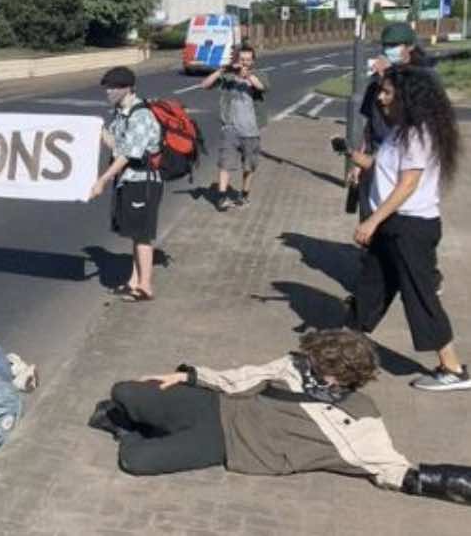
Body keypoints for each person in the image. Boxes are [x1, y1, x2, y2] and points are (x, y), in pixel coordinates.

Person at [87, 329, 471, 506]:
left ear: (338, 376)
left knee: (134, 461)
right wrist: (189, 376)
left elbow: (398, 470)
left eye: (318, 365)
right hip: (219, 406)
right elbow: (246, 377)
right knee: (124, 390)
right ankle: (144, 418)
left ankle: (129, 428)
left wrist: (452, 481)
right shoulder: (297, 365)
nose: (308, 365)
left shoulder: (358, 419)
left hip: (229, 445)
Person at [342, 66, 469, 391]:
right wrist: (358, 159)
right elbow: (387, 170)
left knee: (420, 296)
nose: (381, 99)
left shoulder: (417, 133)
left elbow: (408, 184)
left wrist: (371, 220)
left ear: (407, 97)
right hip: (394, 224)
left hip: (410, 226)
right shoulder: (401, 131)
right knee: (371, 289)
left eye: (387, 93)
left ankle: (452, 369)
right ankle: (342, 352)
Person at [347, 23, 443, 293]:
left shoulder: (422, 79)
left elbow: (428, 121)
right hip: (377, 158)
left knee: (406, 220)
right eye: (385, 46)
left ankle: (426, 276)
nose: (388, 51)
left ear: (409, 47)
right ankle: (373, 280)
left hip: (407, 160)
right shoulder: (378, 83)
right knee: (372, 218)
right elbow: (369, 124)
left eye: (394, 46)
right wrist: (359, 159)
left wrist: (391, 79)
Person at [89, 66, 163, 302]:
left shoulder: (141, 115)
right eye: (107, 87)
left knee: (142, 235)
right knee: (134, 233)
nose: (108, 92)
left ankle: (145, 287)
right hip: (128, 182)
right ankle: (134, 282)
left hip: (143, 182)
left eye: (113, 87)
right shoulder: (121, 114)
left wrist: (102, 180)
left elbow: (128, 155)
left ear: (127, 88)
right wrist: (99, 131)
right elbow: (116, 145)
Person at [201, 43, 269, 211]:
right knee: (225, 163)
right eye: (242, 59)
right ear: (237, 60)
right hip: (230, 128)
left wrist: (247, 76)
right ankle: (222, 198)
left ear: (253, 61)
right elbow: (205, 85)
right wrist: (221, 70)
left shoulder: (259, 75)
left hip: (252, 130)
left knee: (249, 166)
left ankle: (244, 195)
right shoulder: (228, 77)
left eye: (248, 60)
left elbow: (263, 87)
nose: (244, 62)